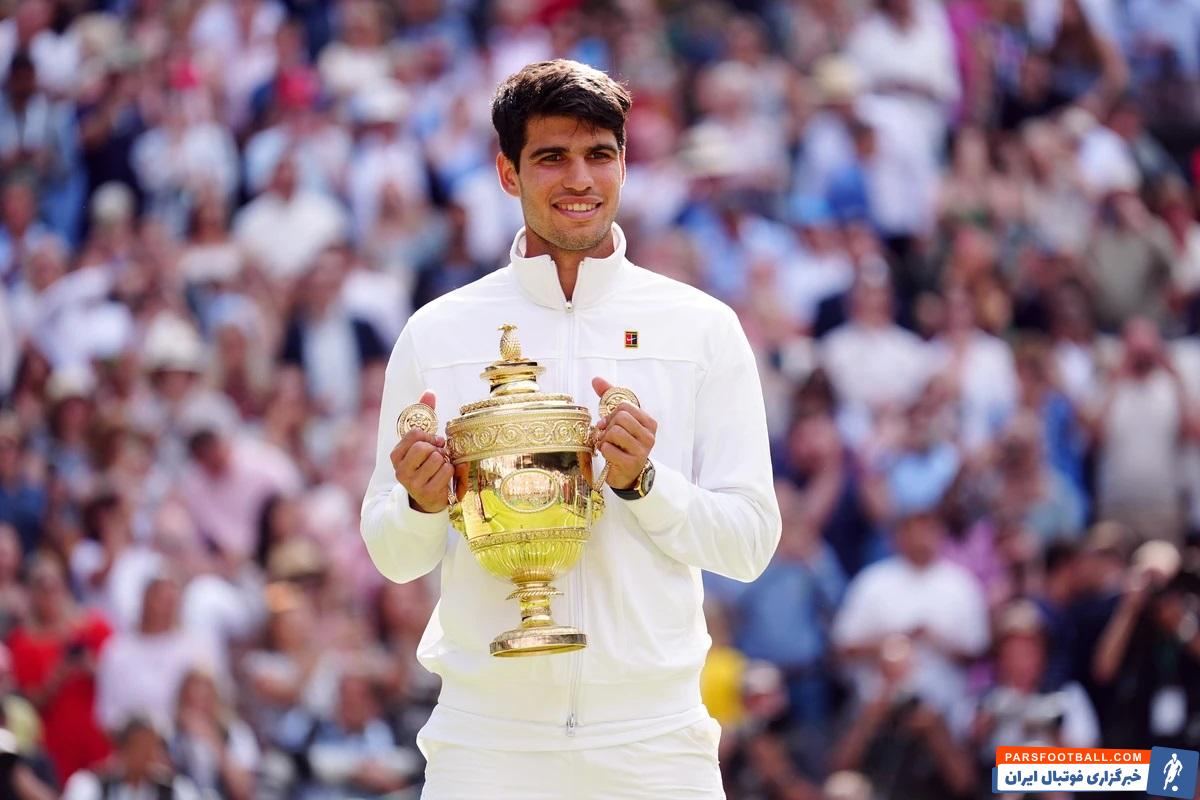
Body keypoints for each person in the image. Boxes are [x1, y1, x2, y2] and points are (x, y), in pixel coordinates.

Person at [360, 59, 781, 798]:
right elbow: (392, 555)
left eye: (599, 155)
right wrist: (422, 504)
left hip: (655, 741)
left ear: (624, 165)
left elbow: (749, 543)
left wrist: (645, 484)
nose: (580, 179)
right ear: (508, 172)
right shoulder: (437, 332)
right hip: (487, 742)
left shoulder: (702, 328)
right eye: (552, 157)